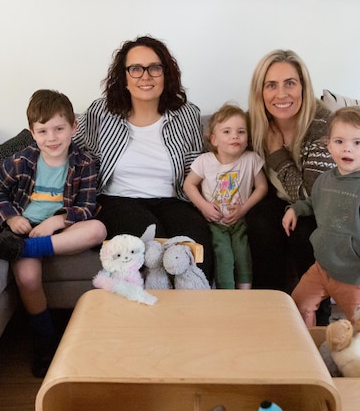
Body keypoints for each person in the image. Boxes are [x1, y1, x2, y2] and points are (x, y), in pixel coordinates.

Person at [0, 89, 107, 377]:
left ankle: (23, 250)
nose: (52, 138)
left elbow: (87, 207)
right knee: (27, 277)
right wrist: (12, 218)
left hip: (61, 231)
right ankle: (45, 341)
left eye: (59, 129)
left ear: (74, 127)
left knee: (98, 229)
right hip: (24, 230)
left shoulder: (85, 163)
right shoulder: (21, 161)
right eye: (43, 131)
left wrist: (57, 221)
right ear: (32, 133)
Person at [75, 35, 213, 277]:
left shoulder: (187, 114)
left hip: (173, 201)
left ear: (166, 73)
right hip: (118, 201)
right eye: (136, 69)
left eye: (154, 68)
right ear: (124, 76)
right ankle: (150, 309)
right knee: (153, 239)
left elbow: (196, 168)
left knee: (196, 243)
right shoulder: (101, 112)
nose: (145, 76)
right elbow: (68, 142)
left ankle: (194, 309)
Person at [284, 106, 360, 326]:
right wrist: (295, 209)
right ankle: (309, 350)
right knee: (298, 306)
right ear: (329, 145)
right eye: (339, 142)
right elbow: (314, 203)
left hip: (356, 277)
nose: (347, 149)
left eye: (357, 143)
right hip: (322, 267)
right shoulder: (326, 180)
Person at [246, 49, 336, 298]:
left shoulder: (323, 125)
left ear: (303, 88)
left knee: (305, 232)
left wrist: (276, 152)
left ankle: (317, 315)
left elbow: (312, 196)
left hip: (323, 205)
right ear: (260, 92)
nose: (281, 94)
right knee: (260, 220)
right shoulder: (255, 123)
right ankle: (267, 306)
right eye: (271, 85)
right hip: (281, 200)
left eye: (290, 84)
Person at [183, 103, 268, 289]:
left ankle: (245, 297)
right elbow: (188, 185)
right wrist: (203, 206)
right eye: (227, 132)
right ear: (214, 140)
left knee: (243, 255)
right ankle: (226, 296)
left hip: (239, 221)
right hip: (215, 223)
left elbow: (262, 187)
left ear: (247, 138)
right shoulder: (204, 161)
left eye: (241, 131)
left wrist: (244, 209)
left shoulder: (251, 159)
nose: (235, 136)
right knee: (224, 257)